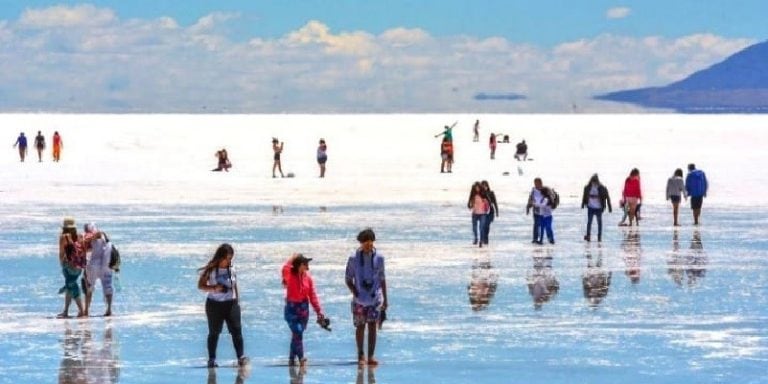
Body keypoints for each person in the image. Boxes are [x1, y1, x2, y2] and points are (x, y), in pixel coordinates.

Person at [197, 243, 248, 368]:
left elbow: (235, 285)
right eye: (227, 258)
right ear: (221, 257)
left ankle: (240, 357)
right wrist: (215, 288)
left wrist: (237, 301)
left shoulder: (232, 269)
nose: (229, 260)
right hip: (214, 305)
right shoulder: (211, 269)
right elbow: (200, 285)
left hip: (231, 303)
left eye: (231, 258)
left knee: (236, 330)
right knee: (214, 332)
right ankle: (212, 359)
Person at [345, 229, 388, 366]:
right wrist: (355, 292)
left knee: (372, 327)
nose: (368, 246)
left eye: (370, 243)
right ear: (361, 243)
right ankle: (360, 355)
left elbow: (382, 279)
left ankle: (371, 356)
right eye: (365, 243)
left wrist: (385, 299)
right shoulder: (353, 258)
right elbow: (347, 279)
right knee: (360, 327)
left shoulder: (379, 258)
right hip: (359, 300)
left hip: (375, 299)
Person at [282, 253, 326, 367]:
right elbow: (285, 268)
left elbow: (312, 295)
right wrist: (292, 258)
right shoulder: (289, 275)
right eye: (305, 264)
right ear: (299, 265)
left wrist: (319, 311)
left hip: (303, 309)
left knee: (297, 334)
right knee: (297, 332)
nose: (307, 267)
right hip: (291, 308)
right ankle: (301, 358)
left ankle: (291, 358)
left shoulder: (308, 278)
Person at [82, 224, 115, 317]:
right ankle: (109, 309)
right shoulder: (104, 235)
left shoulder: (88, 236)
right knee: (108, 287)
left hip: (93, 265)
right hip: (106, 265)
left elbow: (86, 250)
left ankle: (86, 310)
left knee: (89, 288)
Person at [57, 218, 86, 318]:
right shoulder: (80, 236)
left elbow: (61, 253)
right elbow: (83, 250)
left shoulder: (63, 237)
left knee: (72, 287)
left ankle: (81, 310)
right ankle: (65, 311)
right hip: (78, 266)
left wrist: (62, 264)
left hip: (68, 265)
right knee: (70, 286)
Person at [581, 174, 612, 242]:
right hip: (590, 207)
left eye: (595, 182)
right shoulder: (587, 187)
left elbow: (607, 197)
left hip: (599, 208)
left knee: (599, 222)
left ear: (597, 181)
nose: (594, 183)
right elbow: (584, 196)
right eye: (593, 182)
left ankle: (599, 236)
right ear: (591, 181)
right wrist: (583, 204)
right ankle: (588, 236)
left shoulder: (602, 188)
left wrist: (610, 207)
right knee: (589, 222)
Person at [467, 182, 490, 247]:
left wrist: (486, 206)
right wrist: (470, 205)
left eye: (478, 188)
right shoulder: (473, 195)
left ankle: (481, 240)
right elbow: (469, 204)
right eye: (476, 188)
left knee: (481, 228)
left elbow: (488, 203)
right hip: (475, 213)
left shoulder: (483, 194)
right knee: (474, 228)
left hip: (482, 214)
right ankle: (476, 238)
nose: (477, 189)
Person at [526, 178, 544, 243]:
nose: (536, 184)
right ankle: (535, 238)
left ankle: (540, 238)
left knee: (541, 224)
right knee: (536, 224)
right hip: (536, 210)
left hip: (543, 210)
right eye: (535, 183)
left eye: (537, 183)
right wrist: (528, 207)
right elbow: (530, 199)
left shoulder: (544, 190)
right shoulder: (533, 191)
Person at [480, 180, 499, 245]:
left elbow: (495, 202)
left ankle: (486, 239)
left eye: (485, 186)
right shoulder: (480, 194)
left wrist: (497, 212)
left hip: (490, 212)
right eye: (483, 186)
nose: (484, 187)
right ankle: (483, 239)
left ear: (487, 186)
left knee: (487, 225)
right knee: (483, 226)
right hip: (482, 212)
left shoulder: (491, 193)